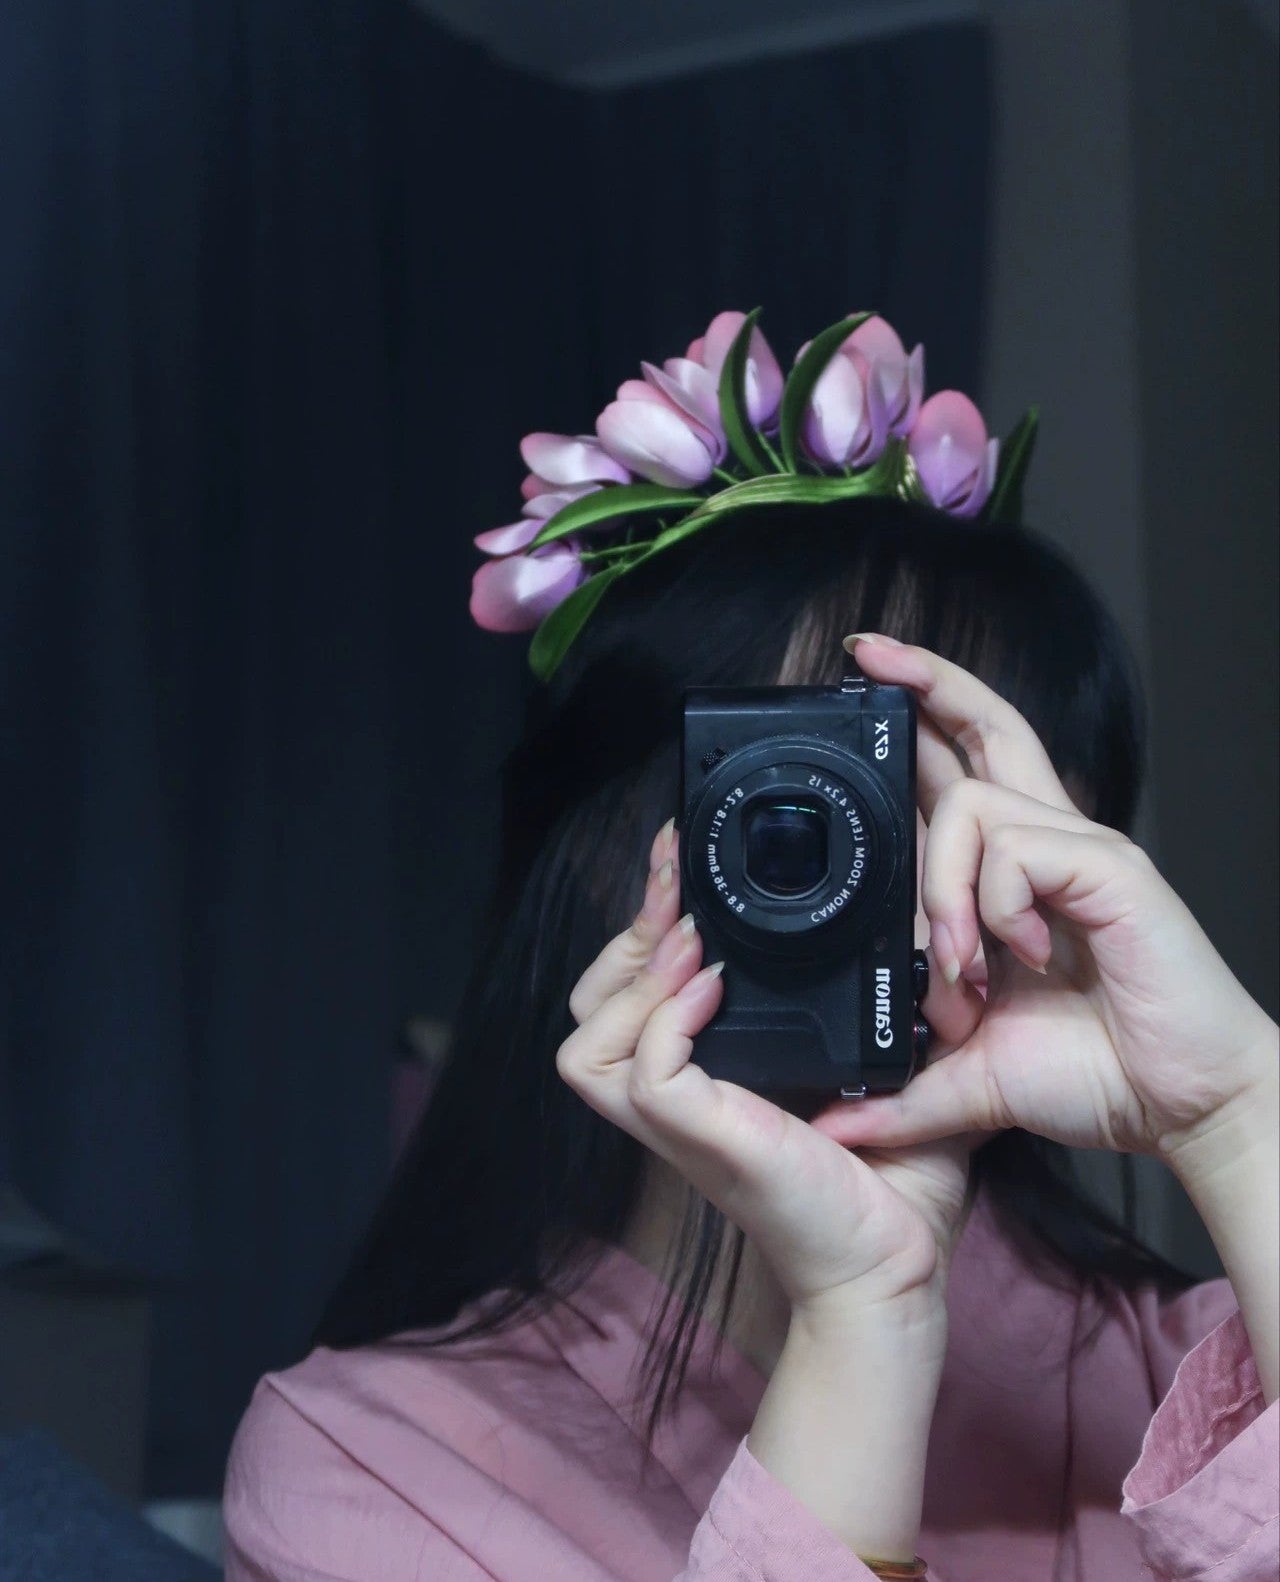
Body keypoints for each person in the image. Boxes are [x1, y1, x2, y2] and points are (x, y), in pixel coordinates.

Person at [223, 312, 1279, 1581]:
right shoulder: (369, 1462)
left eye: (950, 796)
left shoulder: (1204, 1379)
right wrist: (863, 1321)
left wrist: (1236, 1114)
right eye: (802, 797)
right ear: (616, 847)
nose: (874, 867)